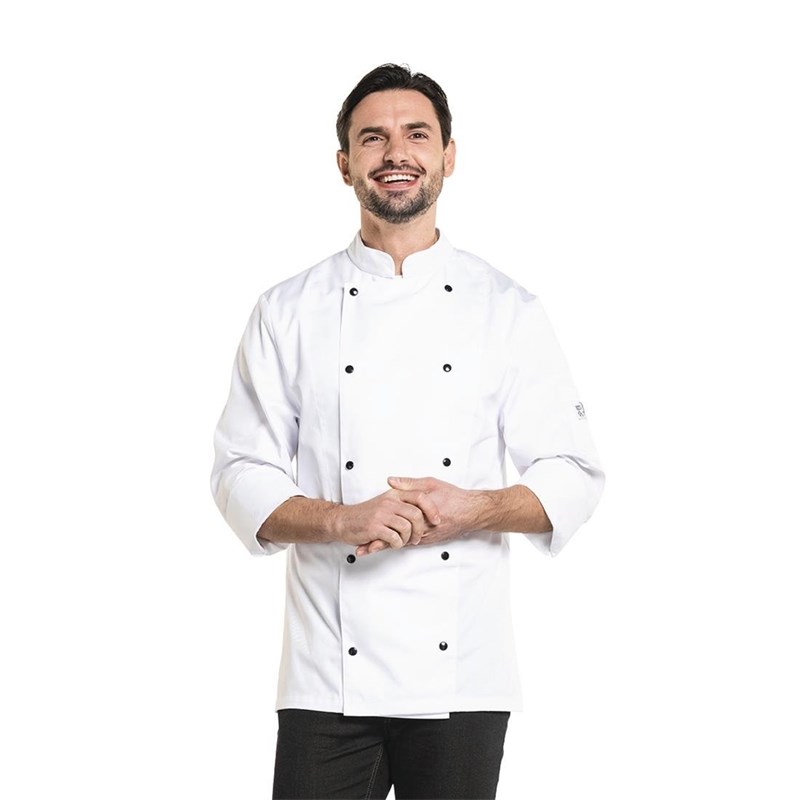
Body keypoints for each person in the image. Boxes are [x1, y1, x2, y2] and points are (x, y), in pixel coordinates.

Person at [211, 63, 604, 800]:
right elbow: (240, 472)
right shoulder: (287, 310)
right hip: (328, 670)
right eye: (373, 138)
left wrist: (473, 509)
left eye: (416, 134)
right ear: (344, 164)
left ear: (448, 156)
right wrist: (342, 519)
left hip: (463, 672)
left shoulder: (507, 309)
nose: (396, 152)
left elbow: (572, 473)